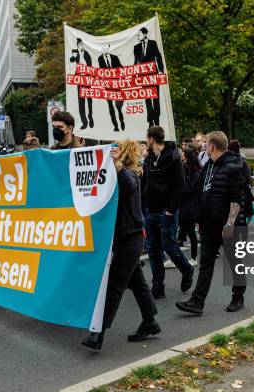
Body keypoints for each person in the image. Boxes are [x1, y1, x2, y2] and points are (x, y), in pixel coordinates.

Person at [81, 141, 160, 350]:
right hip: (127, 238)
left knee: (114, 286)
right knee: (137, 283)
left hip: (130, 238)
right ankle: (150, 321)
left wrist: (116, 166)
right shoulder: (121, 175)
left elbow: (128, 184)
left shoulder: (131, 175)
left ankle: (98, 334)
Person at [175, 131, 247, 315]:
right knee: (206, 263)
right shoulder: (209, 166)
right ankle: (197, 302)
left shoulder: (233, 167)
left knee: (234, 262)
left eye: (206, 143)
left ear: (212, 146)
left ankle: (238, 297)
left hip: (227, 226)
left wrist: (230, 223)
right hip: (209, 225)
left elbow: (236, 199)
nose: (204, 146)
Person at [142, 126, 194, 299]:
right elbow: (145, 183)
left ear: (151, 139)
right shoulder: (149, 158)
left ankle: (186, 269)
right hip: (151, 210)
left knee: (168, 246)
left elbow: (180, 185)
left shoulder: (173, 158)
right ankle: (158, 285)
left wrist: (171, 210)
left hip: (166, 211)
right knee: (153, 250)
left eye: (146, 139)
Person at [133, 27, 164, 127]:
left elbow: (158, 57)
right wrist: (134, 75)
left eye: (139, 35)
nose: (137, 37)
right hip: (143, 76)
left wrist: (160, 70)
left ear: (145, 34)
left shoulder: (153, 43)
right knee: (147, 98)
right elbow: (135, 63)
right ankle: (150, 120)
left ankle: (157, 119)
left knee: (155, 97)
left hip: (153, 75)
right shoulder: (136, 47)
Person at [178, 145, 202, 263]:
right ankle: (177, 257)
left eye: (183, 159)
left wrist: (184, 175)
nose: (182, 162)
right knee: (181, 234)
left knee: (191, 233)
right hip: (183, 207)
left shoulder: (196, 175)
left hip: (191, 208)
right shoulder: (186, 173)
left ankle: (193, 257)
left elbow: (187, 190)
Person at [98, 45, 125, 131]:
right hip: (107, 86)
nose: (104, 50)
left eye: (105, 48)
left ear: (108, 48)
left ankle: (121, 121)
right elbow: (100, 71)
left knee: (118, 106)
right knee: (110, 106)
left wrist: (122, 80)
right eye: (103, 48)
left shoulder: (114, 57)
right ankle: (115, 126)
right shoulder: (100, 59)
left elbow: (121, 68)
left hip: (117, 85)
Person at [70, 38, 94, 129]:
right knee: (81, 102)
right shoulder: (75, 52)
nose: (82, 46)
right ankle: (84, 122)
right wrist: (73, 56)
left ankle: (90, 118)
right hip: (79, 81)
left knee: (89, 101)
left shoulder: (87, 53)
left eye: (83, 45)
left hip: (87, 80)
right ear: (78, 45)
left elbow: (90, 66)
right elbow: (71, 60)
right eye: (80, 45)